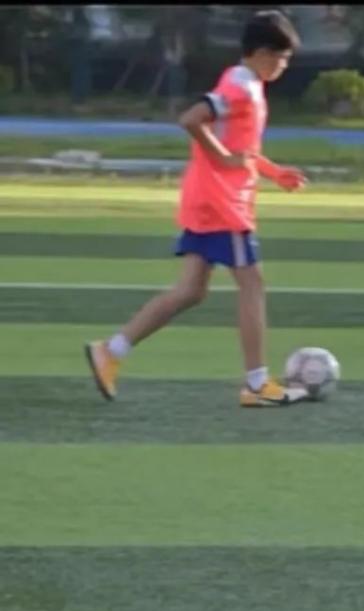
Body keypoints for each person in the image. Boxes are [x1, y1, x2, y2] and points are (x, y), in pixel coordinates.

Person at [85, 11, 308, 407]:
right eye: (281, 58)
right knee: (252, 284)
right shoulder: (241, 86)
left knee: (190, 291)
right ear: (260, 53)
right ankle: (257, 384)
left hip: (207, 199)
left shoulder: (246, 84)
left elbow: (242, 148)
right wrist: (223, 159)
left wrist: (273, 172)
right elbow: (192, 119)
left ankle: (110, 351)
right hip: (224, 204)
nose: (284, 66)